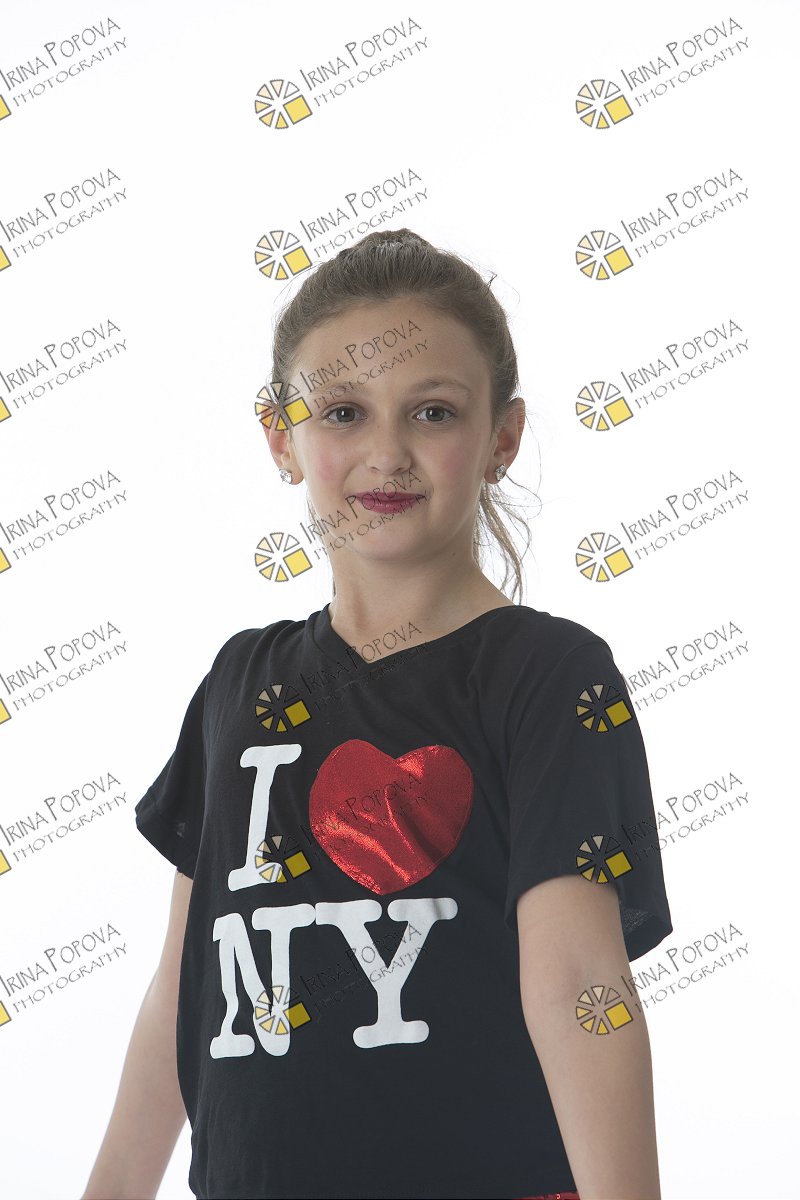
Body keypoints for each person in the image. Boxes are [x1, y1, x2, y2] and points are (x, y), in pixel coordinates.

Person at [82, 228, 672, 1200]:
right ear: (282, 438)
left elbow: (579, 983)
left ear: (502, 438)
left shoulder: (545, 676)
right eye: (344, 413)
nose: (386, 454)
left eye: (432, 412)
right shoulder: (240, 683)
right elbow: (185, 984)